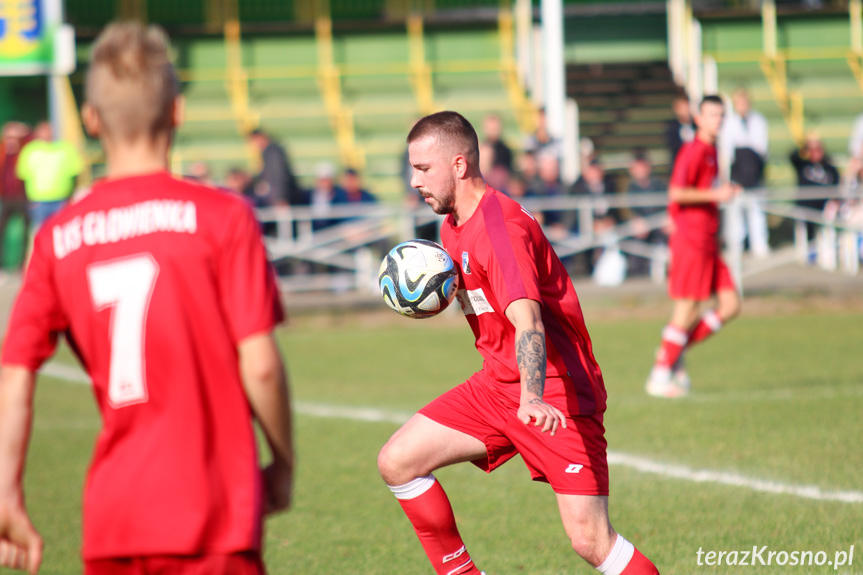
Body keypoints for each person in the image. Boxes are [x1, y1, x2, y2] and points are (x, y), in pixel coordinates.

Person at [0, 22, 294, 575]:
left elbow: (14, 377)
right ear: (177, 112)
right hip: (212, 514)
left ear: (91, 121)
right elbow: (261, 367)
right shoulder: (223, 218)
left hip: (115, 519)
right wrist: (281, 461)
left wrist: (5, 493)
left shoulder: (57, 238)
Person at [377, 111, 659, 575]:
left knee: (591, 541)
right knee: (398, 461)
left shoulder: (498, 228)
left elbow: (528, 321)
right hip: (496, 386)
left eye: (423, 169)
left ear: (459, 165)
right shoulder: (451, 225)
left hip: (553, 392)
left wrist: (530, 397)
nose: (413, 180)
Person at [645, 95, 742, 398]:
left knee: (730, 305)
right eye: (712, 115)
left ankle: (674, 350)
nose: (718, 120)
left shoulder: (712, 149)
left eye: (721, 115)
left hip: (709, 240)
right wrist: (716, 196)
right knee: (687, 307)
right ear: (698, 119)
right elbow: (677, 191)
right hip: (692, 238)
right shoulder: (694, 150)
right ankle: (660, 375)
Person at [720, 87, 770, 258]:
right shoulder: (729, 123)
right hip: (737, 173)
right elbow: (727, 152)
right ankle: (736, 246)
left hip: (754, 173)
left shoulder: (758, 121)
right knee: (736, 214)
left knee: (757, 211)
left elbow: (761, 148)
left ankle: (759, 245)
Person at [15, 121, 82, 231]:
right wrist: (26, 201)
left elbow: (75, 175)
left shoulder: (65, 148)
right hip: (38, 201)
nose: (47, 133)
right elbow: (22, 177)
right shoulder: (29, 150)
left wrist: (71, 196)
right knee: (40, 232)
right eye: (43, 130)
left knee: (61, 230)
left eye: (49, 130)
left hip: (62, 200)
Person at [0, 122, 31, 270]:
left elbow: (33, 140)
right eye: (8, 136)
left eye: (14, 136)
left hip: (22, 197)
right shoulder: (2, 152)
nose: (11, 139)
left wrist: (24, 131)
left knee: (26, 231)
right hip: (5, 198)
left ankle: (22, 264)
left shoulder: (25, 150)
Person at [247, 128, 302, 207]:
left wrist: (280, 198)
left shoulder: (273, 152)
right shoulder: (269, 152)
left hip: (281, 199)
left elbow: (279, 175)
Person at [665, 93, 695, 166]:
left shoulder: (696, 125)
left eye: (687, 107)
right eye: (683, 108)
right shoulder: (672, 127)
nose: (686, 110)